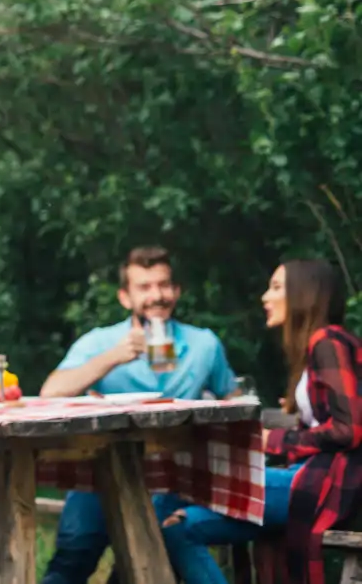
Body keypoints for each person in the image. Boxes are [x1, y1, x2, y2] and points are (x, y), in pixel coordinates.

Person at [39, 246, 239, 584]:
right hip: (98, 473)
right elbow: (51, 392)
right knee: (73, 558)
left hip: (172, 477)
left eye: (163, 285)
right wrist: (112, 358)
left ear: (176, 291)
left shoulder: (203, 345)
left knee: (146, 555)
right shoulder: (101, 342)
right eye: (144, 287)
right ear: (124, 297)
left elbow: (233, 399)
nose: (156, 296)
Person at [160, 259, 362, 584]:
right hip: (308, 477)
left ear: (304, 294)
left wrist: (275, 440)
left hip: (324, 484)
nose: (265, 297)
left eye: (277, 287)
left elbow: (350, 429)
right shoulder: (317, 348)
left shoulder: (329, 341)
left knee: (179, 480)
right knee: (179, 528)